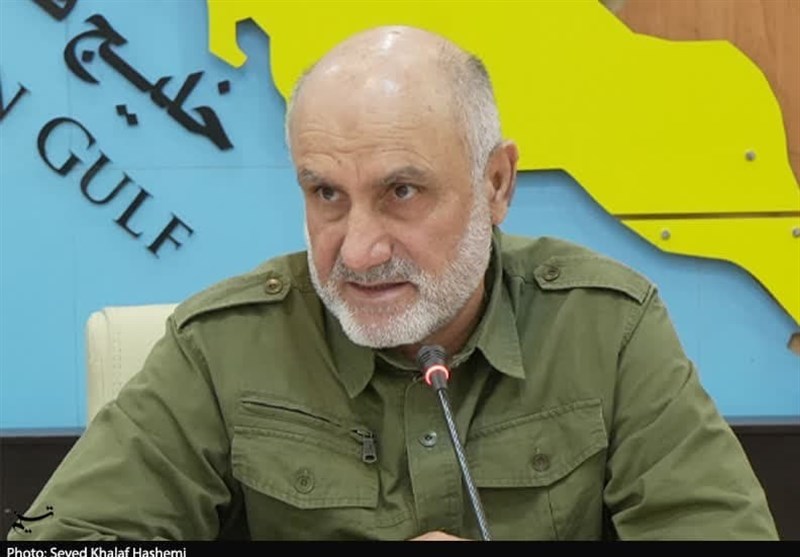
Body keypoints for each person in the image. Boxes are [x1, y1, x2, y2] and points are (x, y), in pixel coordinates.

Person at [7, 25, 778, 541]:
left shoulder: (608, 326)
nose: (359, 248)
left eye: (402, 191)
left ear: (497, 183)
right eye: (326, 193)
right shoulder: (220, 348)